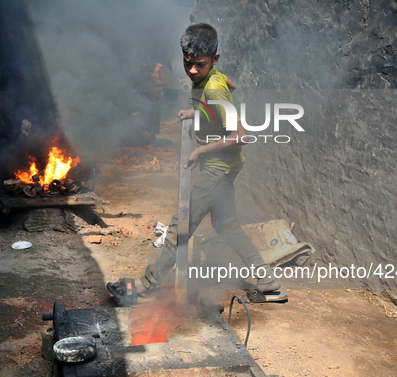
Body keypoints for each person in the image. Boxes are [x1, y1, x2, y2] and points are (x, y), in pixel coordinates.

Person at [107, 23, 286, 305]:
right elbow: (229, 86)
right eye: (187, 63)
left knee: (181, 225)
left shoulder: (213, 86)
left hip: (216, 169)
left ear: (214, 59)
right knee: (227, 226)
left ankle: (146, 285)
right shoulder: (212, 78)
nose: (191, 70)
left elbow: (241, 135)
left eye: (199, 65)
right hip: (226, 168)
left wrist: (201, 150)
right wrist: (195, 110)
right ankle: (268, 281)